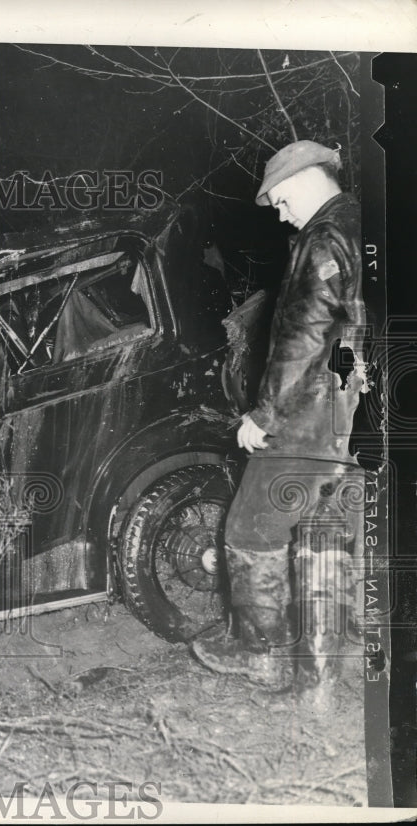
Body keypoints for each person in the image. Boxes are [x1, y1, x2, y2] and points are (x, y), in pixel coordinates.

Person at [191, 140, 366, 702]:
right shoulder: (364, 223)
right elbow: (348, 335)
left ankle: (259, 652)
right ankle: (317, 682)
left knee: (250, 526)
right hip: (341, 407)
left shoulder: (321, 239)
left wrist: (262, 414)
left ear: (306, 176)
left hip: (303, 411)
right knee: (320, 538)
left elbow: (302, 336)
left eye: (282, 199)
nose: (281, 212)